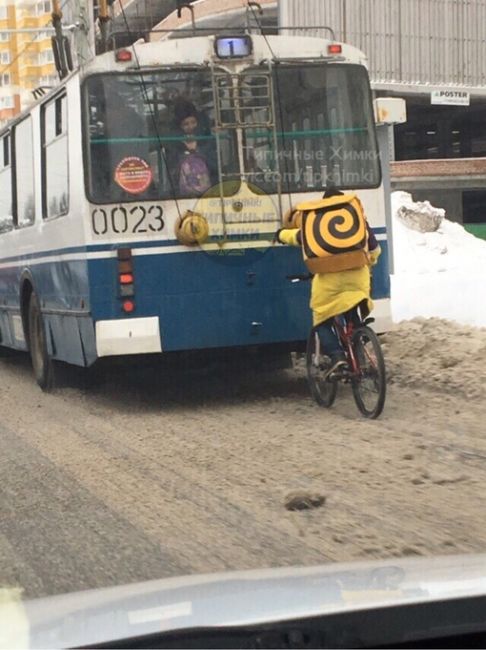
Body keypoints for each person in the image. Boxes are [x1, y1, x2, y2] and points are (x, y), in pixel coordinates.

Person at [275, 188, 381, 375]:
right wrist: (365, 264)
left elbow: (297, 237)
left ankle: (337, 357)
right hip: (358, 278)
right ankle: (360, 353)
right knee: (352, 309)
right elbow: (375, 251)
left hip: (329, 282)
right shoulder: (358, 221)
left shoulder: (317, 222)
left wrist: (281, 234)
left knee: (321, 320)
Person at [168, 100, 217, 196]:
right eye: (186, 124)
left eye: (193, 122)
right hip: (182, 194)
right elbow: (172, 171)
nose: (191, 127)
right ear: (179, 127)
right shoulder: (174, 145)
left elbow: (215, 167)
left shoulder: (208, 141)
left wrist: (197, 151)